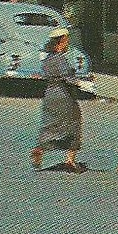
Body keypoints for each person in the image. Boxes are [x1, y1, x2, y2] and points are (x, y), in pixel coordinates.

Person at [31, 28, 86, 172]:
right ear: (62, 41)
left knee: (50, 125)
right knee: (74, 123)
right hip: (64, 95)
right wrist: (83, 83)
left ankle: (40, 148)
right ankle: (70, 160)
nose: (68, 43)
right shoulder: (59, 58)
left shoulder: (48, 58)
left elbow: (44, 74)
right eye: (67, 40)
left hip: (50, 94)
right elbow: (68, 78)